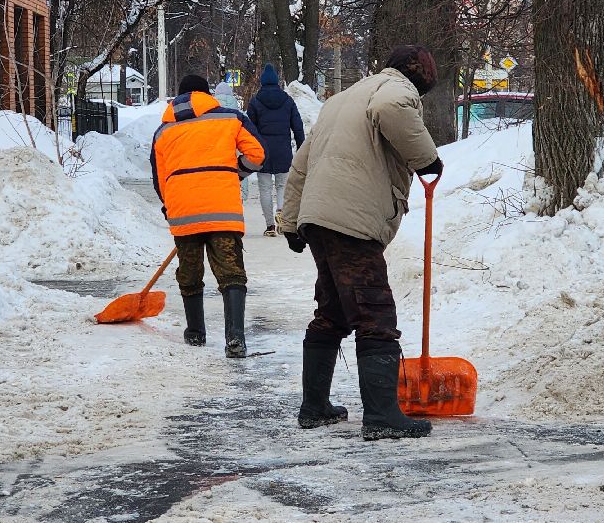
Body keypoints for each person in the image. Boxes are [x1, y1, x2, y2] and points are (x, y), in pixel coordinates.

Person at [279, 45, 443, 439]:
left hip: (321, 216)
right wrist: (427, 158)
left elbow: (302, 161)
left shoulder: (342, 101)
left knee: (333, 310)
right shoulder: (394, 89)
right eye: (427, 74)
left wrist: (290, 220)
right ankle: (383, 416)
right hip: (351, 217)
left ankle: (314, 407)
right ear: (411, 69)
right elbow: (391, 110)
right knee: (375, 313)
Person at [151, 74, 266, 358]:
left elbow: (160, 178)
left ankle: (195, 334)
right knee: (231, 273)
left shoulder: (164, 131)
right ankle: (235, 339)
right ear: (207, 94)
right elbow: (257, 155)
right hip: (223, 209)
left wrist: (171, 205)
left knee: (189, 273)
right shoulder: (230, 119)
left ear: (177, 99)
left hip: (183, 211)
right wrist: (233, 173)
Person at [247, 63, 306, 237]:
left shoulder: (255, 102)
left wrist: (250, 150)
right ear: (277, 82)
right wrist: (302, 147)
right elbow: (298, 126)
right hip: (283, 152)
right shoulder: (288, 101)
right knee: (282, 186)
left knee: (265, 189)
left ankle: (270, 226)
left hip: (262, 153)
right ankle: (281, 213)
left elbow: (250, 129)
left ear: (262, 83)